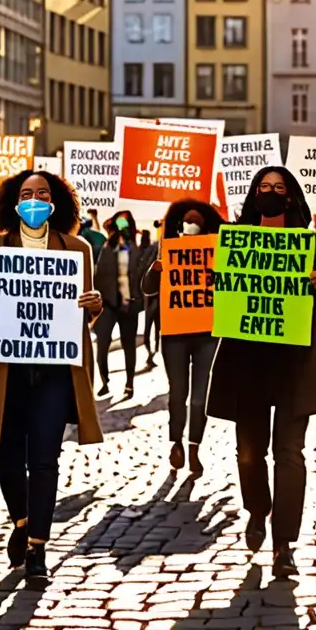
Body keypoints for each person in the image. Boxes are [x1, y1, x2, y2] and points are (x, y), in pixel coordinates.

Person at [0, 170, 104, 579]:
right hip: (7, 368)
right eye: (27, 193)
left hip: (56, 371)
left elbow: (85, 311)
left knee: (45, 459)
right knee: (9, 455)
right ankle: (21, 522)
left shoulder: (76, 249)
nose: (34, 199)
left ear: (56, 200)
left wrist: (93, 305)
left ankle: (39, 547)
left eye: (42, 192)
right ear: (14, 201)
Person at [207, 166, 316, 578]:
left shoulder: (309, 242)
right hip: (248, 361)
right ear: (253, 194)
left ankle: (284, 543)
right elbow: (220, 293)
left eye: (279, 188)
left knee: (290, 454)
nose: (271, 193)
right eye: (264, 187)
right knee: (248, 453)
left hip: (295, 361)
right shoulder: (236, 237)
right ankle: (258, 509)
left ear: (291, 196)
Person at [141, 199, 222, 476]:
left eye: (198, 222)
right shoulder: (166, 249)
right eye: (188, 221)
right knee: (178, 392)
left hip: (207, 334)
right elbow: (147, 287)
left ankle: (195, 447)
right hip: (174, 334)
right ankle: (176, 441)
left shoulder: (217, 250)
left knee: (200, 396)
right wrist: (157, 269)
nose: (192, 226)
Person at [94, 211, 147, 398]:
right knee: (102, 344)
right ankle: (104, 380)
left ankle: (129, 383)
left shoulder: (136, 249)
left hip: (128, 304)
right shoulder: (107, 247)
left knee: (128, 345)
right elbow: (99, 276)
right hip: (107, 303)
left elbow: (139, 276)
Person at [139, 229, 160, 368]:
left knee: (150, 326)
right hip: (156, 295)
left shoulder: (144, 251)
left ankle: (152, 353)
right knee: (156, 327)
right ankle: (152, 353)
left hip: (149, 295)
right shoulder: (156, 249)